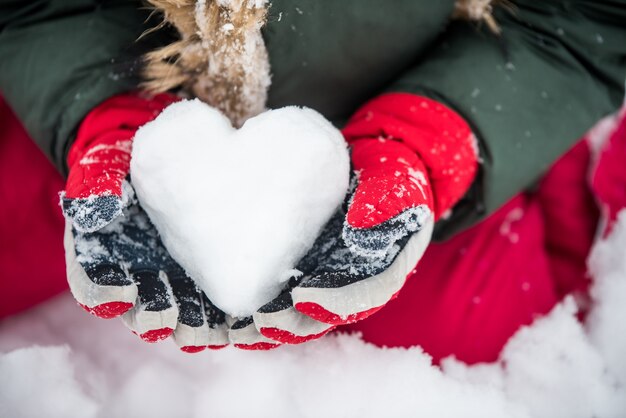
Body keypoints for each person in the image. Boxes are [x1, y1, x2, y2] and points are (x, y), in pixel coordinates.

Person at [0, 0, 624, 362]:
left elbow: (587, 21)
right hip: (122, 80)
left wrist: (426, 139)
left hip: (433, 99)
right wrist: (98, 115)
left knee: (469, 330)